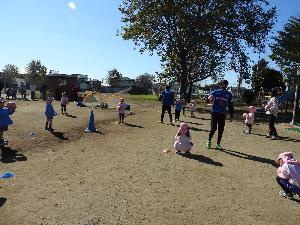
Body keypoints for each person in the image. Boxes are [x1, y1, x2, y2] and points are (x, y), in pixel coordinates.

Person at [206, 80, 234, 150]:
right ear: (221, 85)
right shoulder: (215, 92)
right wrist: (208, 99)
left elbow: (231, 105)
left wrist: (231, 115)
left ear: (227, 85)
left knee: (221, 130)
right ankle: (209, 141)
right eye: (223, 84)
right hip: (214, 113)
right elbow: (208, 100)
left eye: (225, 84)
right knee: (213, 128)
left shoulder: (229, 94)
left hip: (222, 114)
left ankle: (218, 144)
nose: (224, 85)